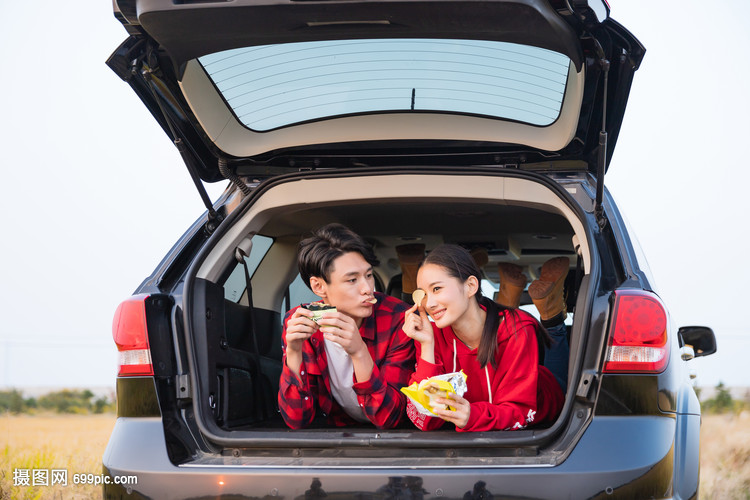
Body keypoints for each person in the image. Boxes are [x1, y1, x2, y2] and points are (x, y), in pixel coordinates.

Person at [402, 244, 564, 431]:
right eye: (423, 294)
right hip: (487, 421)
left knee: (557, 347)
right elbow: (424, 420)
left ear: (471, 286)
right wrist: (427, 345)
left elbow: (519, 412)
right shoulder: (430, 334)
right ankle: (511, 297)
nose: (429, 304)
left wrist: (472, 415)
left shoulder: (517, 329)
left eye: (437, 289)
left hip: (546, 406)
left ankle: (552, 312)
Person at [278, 223, 415, 429]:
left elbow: (389, 418)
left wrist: (359, 351)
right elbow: (296, 419)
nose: (367, 288)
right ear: (318, 286)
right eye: (352, 280)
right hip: (339, 433)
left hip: (398, 437)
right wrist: (294, 352)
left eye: (369, 276)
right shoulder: (301, 322)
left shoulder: (398, 319)